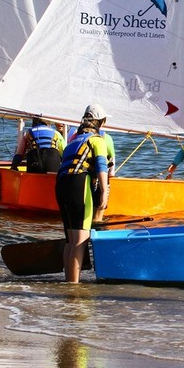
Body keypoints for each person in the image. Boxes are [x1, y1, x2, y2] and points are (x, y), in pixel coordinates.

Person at [55, 104, 111, 283]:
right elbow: (102, 166)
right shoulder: (97, 140)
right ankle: (73, 286)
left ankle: (69, 281)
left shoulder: (73, 141)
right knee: (81, 239)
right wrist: (104, 192)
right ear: (100, 122)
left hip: (61, 186)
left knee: (70, 240)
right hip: (79, 185)